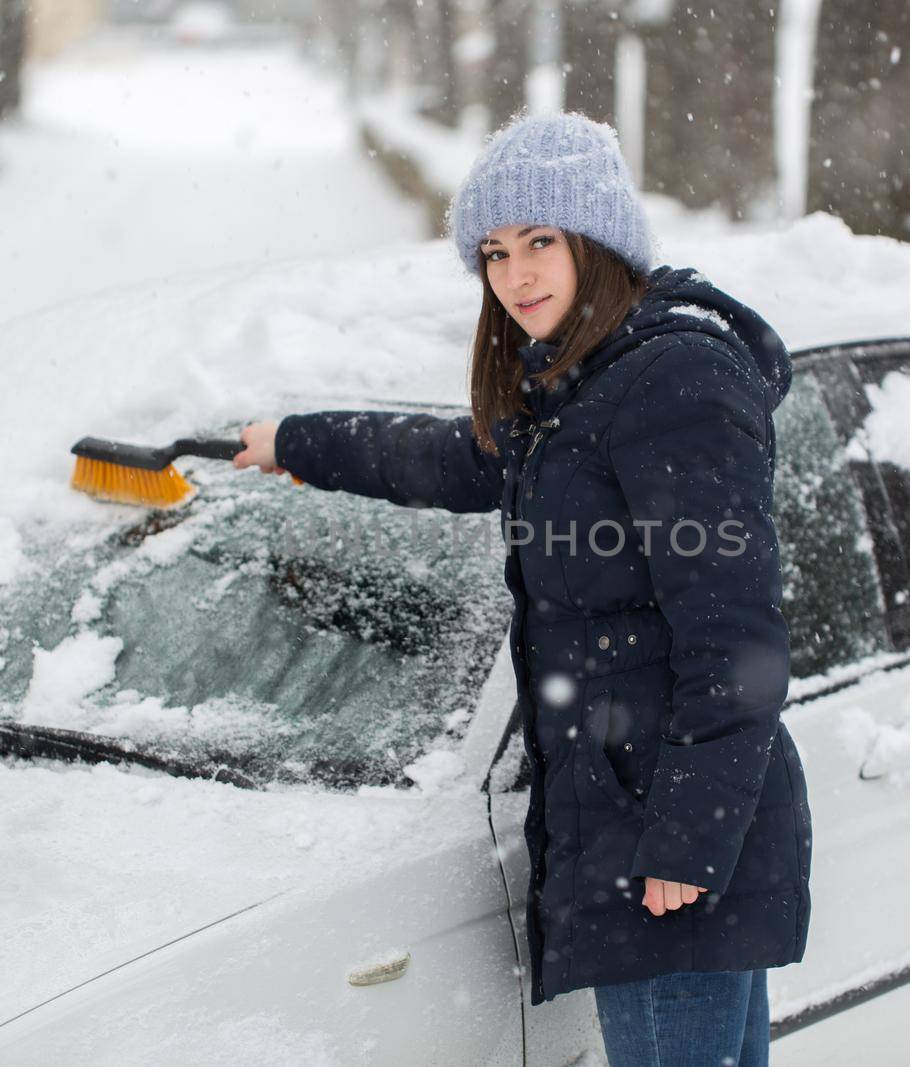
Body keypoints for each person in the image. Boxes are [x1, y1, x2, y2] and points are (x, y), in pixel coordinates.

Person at [234, 111, 811, 1067]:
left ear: (600, 240)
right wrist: (296, 442)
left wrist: (683, 841)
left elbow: (737, 635)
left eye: (542, 241)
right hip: (637, 829)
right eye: (495, 253)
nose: (517, 276)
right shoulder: (580, 387)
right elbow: (456, 459)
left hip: (667, 850)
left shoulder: (674, 381)